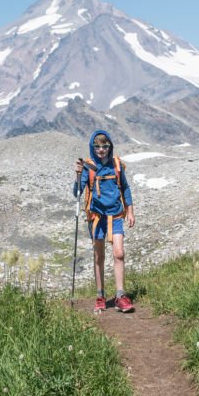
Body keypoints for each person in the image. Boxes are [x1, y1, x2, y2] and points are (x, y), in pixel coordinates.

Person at [74, 130, 136, 313]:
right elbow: (76, 192)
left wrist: (130, 211)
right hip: (96, 217)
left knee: (119, 253)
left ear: (110, 147)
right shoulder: (88, 167)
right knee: (99, 256)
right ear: (93, 147)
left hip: (116, 215)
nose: (101, 150)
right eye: (98, 146)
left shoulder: (116, 165)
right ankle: (100, 296)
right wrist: (77, 176)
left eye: (105, 146)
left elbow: (125, 188)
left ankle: (120, 295)